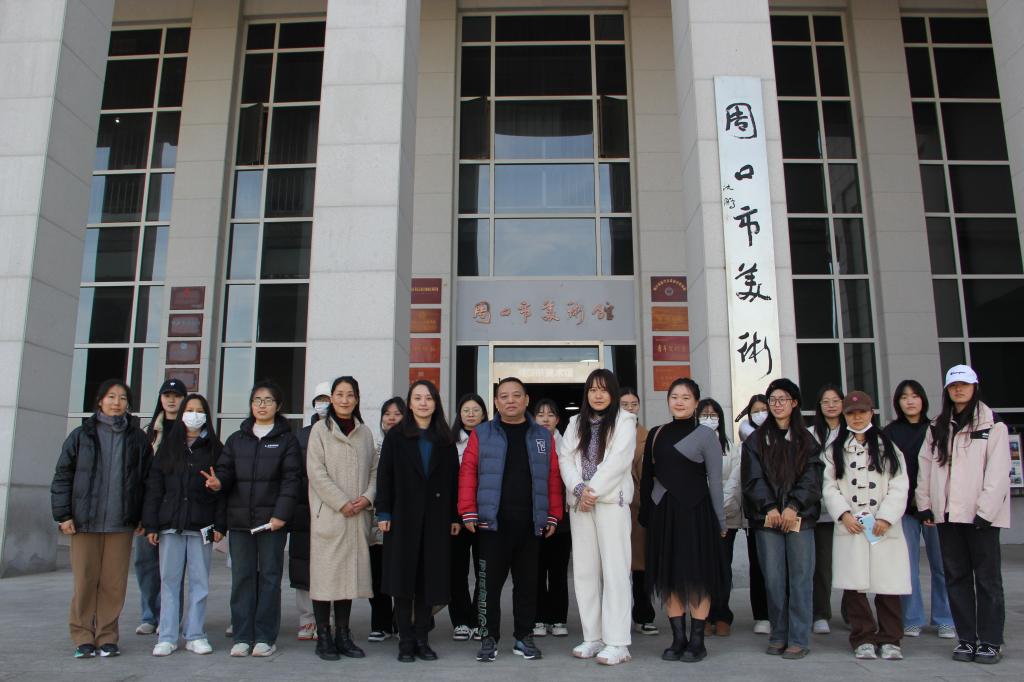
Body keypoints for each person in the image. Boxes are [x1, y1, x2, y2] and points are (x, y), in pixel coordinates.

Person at [458, 377, 563, 663]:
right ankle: (488, 637)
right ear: (496, 402)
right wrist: (468, 510)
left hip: (530, 523)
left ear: (526, 400)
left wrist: (553, 514)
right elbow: (468, 472)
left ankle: (523, 637)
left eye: (516, 395)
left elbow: (552, 476)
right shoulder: (482, 434)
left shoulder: (542, 436)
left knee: (527, 585)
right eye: (504, 396)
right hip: (492, 524)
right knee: (487, 586)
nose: (510, 401)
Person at [51, 379, 152, 658]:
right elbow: (63, 476)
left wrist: (143, 516)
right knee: (85, 580)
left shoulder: (137, 438)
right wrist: (63, 515)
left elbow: (147, 481)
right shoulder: (81, 435)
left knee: (113, 583)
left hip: (121, 523)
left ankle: (107, 636)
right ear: (99, 401)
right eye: (111, 396)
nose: (116, 402)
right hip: (85, 522)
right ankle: (83, 636)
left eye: (122, 398)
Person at [916, 365, 1009, 665]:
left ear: (975, 387)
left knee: (988, 581)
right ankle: (966, 639)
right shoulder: (937, 426)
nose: (959, 390)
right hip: (947, 516)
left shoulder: (993, 424)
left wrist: (986, 512)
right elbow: (926, 467)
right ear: (947, 390)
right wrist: (925, 504)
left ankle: (991, 641)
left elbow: (998, 472)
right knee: (956, 579)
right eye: (954, 386)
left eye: (964, 385)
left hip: (981, 518)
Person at [639, 378, 725, 664]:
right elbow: (647, 478)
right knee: (670, 576)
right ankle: (678, 638)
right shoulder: (656, 433)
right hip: (663, 514)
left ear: (696, 402)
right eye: (674, 396)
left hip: (697, 514)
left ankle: (697, 641)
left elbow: (716, 482)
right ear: (668, 400)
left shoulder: (706, 435)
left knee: (698, 576)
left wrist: (720, 520)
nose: (679, 401)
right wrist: (647, 514)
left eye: (686, 397)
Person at [215, 380, 302, 658]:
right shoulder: (236, 439)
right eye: (257, 400)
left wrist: (281, 515)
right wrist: (219, 482)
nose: (262, 405)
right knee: (242, 578)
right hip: (240, 522)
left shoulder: (287, 440)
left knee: (269, 578)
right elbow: (225, 472)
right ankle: (242, 636)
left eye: (268, 400)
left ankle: (265, 636)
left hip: (272, 523)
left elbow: (291, 480)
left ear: (278, 406)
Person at [822, 390, 911, 661]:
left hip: (883, 527)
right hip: (852, 527)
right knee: (854, 585)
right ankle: (862, 638)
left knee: (888, 585)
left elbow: (900, 484)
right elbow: (829, 486)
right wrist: (843, 514)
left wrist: (885, 517)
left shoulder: (888, 447)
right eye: (851, 413)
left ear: (871, 412)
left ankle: (891, 639)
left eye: (862, 412)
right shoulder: (835, 449)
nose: (857, 417)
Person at [376, 380, 461, 662]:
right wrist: (383, 512)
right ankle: (405, 641)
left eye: (429, 398)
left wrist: (454, 516)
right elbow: (385, 476)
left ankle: (422, 639)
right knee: (403, 581)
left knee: (428, 580)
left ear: (436, 403)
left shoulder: (445, 438)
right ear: (409, 404)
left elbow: (453, 481)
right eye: (417, 398)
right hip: (402, 517)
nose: (423, 403)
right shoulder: (396, 436)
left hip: (436, 519)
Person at [558, 370, 638, 665]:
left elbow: (619, 461)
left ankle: (618, 642)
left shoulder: (625, 421)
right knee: (585, 571)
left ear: (613, 393)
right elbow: (565, 458)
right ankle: (593, 636)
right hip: (581, 504)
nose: (598, 395)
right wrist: (579, 489)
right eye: (592, 389)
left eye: (604, 389)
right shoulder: (575, 423)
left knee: (615, 570)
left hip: (610, 503)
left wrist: (591, 491)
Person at [741, 378, 822, 660]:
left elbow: (812, 478)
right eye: (772, 400)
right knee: (774, 579)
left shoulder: (807, 440)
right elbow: (752, 478)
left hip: (800, 519)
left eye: (782, 399)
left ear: (794, 403)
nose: (777, 405)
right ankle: (778, 634)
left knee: (800, 579)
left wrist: (794, 506)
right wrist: (770, 508)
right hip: (768, 519)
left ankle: (798, 638)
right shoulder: (756, 440)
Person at [143, 393, 224, 656]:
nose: (194, 415)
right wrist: (151, 525)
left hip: (202, 525)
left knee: (200, 583)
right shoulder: (168, 447)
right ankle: (167, 636)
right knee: (169, 581)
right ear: (181, 415)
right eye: (189, 410)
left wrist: (220, 524)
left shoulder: (215, 448)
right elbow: (154, 488)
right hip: (170, 525)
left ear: (207, 416)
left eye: (199, 411)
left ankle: (195, 634)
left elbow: (224, 491)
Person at [305, 376, 378, 661]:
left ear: (357, 399)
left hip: (357, 515)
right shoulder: (319, 431)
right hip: (330, 515)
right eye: (339, 394)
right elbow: (316, 472)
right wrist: (341, 502)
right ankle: (323, 635)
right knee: (325, 578)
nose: (345, 400)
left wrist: (367, 497)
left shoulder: (365, 432)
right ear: (331, 399)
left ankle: (343, 635)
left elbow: (374, 470)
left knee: (348, 579)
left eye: (350, 395)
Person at [883, 380, 954, 639]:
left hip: (935, 507)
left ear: (923, 399)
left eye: (914, 396)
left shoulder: (938, 429)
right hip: (904, 509)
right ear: (897, 402)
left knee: (942, 565)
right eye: (904, 397)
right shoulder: (890, 432)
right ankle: (912, 618)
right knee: (908, 565)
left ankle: (945, 618)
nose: (910, 401)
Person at [135, 378, 187, 636]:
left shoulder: (189, 432)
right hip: (149, 506)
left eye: (177, 395)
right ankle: (149, 615)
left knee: (172, 568)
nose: (171, 400)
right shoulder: (149, 433)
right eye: (167, 395)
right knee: (146, 564)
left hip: (176, 509)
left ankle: (170, 616)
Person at [291, 382, 331, 641]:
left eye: (328, 399)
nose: (323, 404)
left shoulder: (341, 433)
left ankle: (329, 618)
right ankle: (307, 618)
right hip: (305, 509)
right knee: (304, 564)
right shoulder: (301, 436)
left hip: (333, 509)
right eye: (320, 399)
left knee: (331, 564)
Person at [620, 387, 658, 637]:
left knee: (640, 565)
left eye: (634, 404)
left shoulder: (649, 437)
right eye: (624, 404)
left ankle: (644, 615)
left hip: (639, 508)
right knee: (616, 567)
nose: (630, 408)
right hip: (614, 506)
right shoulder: (608, 434)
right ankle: (618, 618)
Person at [532, 399, 571, 639]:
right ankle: (538, 618)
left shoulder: (568, 445)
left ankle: (557, 618)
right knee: (536, 570)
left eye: (550, 414)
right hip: (535, 515)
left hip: (562, 518)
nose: (545, 419)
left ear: (558, 419)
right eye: (540, 414)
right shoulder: (528, 442)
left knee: (558, 571)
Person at [449, 393, 487, 641]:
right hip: (457, 518)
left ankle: (478, 619)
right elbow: (446, 483)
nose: (471, 414)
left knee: (484, 570)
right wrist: (453, 516)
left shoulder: (492, 439)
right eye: (466, 410)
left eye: (475, 410)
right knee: (457, 571)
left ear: (484, 414)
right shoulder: (449, 443)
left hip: (484, 515)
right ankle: (461, 620)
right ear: (459, 415)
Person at [367, 396, 404, 643]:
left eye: (397, 414)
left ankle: (400, 620)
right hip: (374, 518)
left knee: (400, 573)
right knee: (376, 573)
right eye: (387, 414)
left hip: (402, 520)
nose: (391, 418)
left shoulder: (410, 446)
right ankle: (380, 623)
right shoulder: (373, 448)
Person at [810, 384, 845, 635]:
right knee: (822, 565)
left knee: (853, 562)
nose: (831, 405)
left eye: (835, 400)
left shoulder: (853, 431)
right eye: (826, 401)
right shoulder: (811, 434)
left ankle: (853, 612)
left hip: (852, 510)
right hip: (822, 511)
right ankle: (821, 612)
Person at [702, 398, 739, 637]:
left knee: (723, 566)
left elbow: (734, 480)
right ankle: (704, 615)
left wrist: (718, 509)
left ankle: (722, 614)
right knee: (702, 568)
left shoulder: (730, 447)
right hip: (699, 516)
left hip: (726, 516)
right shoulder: (692, 444)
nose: (709, 418)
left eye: (713, 415)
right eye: (704, 414)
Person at [735, 394, 771, 634]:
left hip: (785, 512)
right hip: (756, 513)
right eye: (756, 411)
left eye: (764, 409)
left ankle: (782, 612)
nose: (761, 414)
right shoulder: (745, 444)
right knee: (758, 565)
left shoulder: (785, 436)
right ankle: (762, 615)